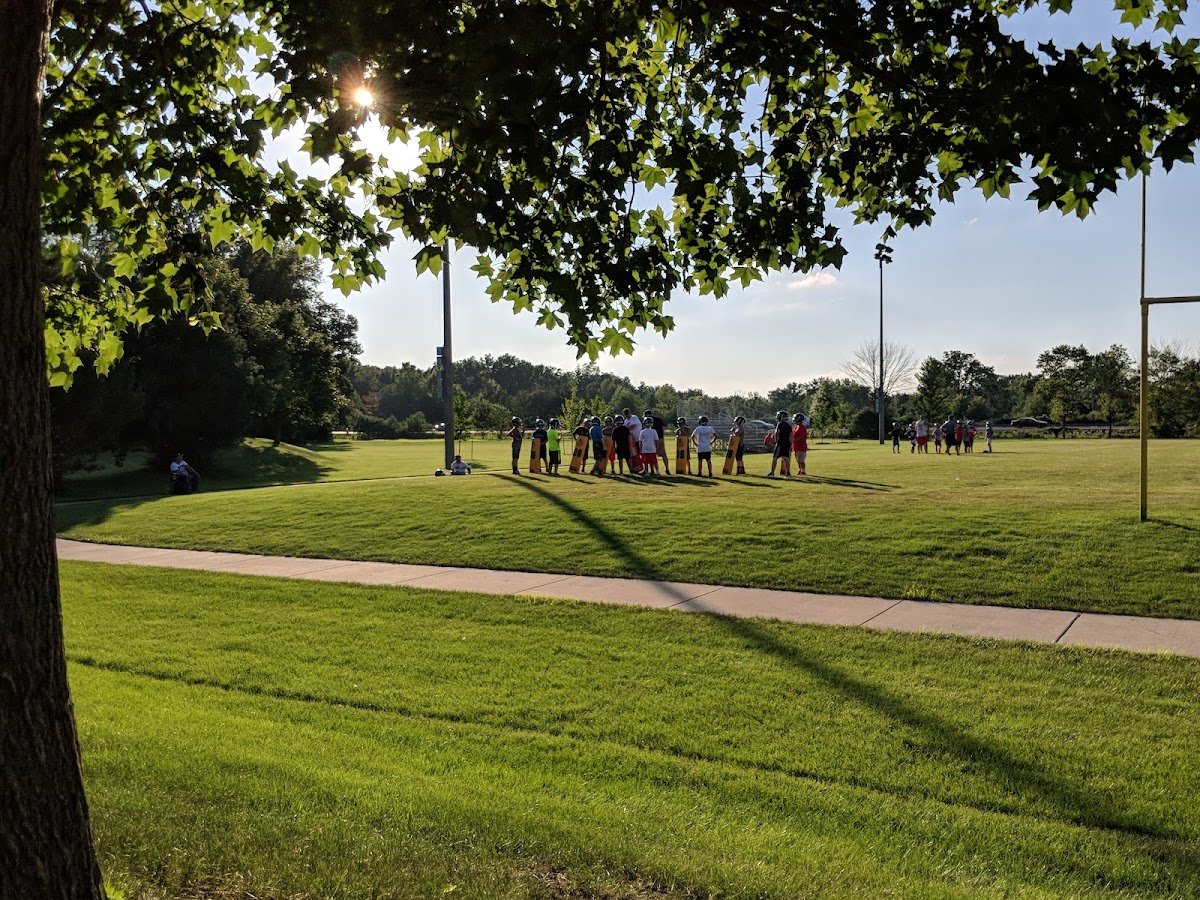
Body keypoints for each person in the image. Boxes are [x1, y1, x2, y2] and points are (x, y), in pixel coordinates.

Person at [645, 408, 671, 475]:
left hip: (653, 439)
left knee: (652, 454)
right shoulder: (659, 419)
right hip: (660, 438)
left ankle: (653, 471)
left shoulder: (648, 420)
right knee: (663, 454)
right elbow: (663, 428)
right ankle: (667, 469)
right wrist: (662, 436)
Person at [768, 410, 791, 478]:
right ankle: (788, 474)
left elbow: (777, 433)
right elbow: (791, 435)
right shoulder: (788, 426)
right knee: (786, 458)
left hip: (780, 444)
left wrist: (775, 442)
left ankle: (772, 473)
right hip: (787, 444)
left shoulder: (780, 424)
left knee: (775, 458)